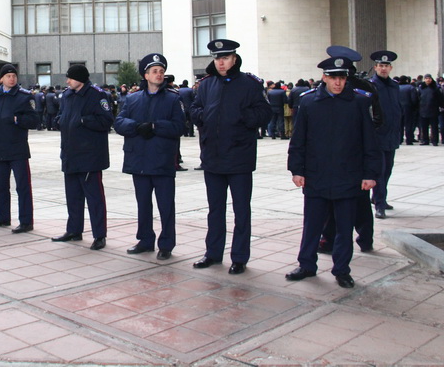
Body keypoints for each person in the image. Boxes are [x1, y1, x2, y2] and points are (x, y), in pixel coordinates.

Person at [286, 56, 381, 289]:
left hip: (348, 175)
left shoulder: (359, 102)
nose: (337, 83)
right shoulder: (309, 102)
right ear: (324, 77)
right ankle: (306, 265)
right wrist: (297, 170)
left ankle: (342, 270)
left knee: (344, 228)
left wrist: (370, 174)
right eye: (333, 77)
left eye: (341, 78)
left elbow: (370, 142)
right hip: (316, 174)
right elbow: (299, 140)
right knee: (312, 226)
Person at [190, 39, 271, 274]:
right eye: (217, 58)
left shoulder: (250, 84)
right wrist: (204, 116)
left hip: (239, 157)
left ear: (234, 59)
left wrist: (242, 117)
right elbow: (194, 109)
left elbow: (264, 112)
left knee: (241, 211)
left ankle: (239, 257)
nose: (221, 62)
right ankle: (213, 253)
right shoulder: (206, 84)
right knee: (215, 210)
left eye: (225, 58)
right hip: (213, 157)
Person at [114, 53, 184, 260]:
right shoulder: (133, 99)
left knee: (166, 206)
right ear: (146, 75)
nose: (159, 74)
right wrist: (136, 126)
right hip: (139, 160)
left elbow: (179, 126)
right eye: (154, 71)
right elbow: (119, 122)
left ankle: (166, 244)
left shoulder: (173, 99)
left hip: (162, 160)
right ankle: (145, 240)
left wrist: (155, 126)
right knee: (143, 204)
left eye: (161, 71)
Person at [51, 65, 114, 250]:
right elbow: (63, 115)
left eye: (70, 78)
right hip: (70, 153)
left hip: (89, 156)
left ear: (80, 78)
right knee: (73, 196)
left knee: (94, 198)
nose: (67, 81)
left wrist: (83, 120)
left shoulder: (97, 95)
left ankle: (99, 235)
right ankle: (74, 230)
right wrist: (60, 120)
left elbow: (106, 121)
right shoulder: (67, 95)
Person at [0, 64, 39, 232]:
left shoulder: (24, 97)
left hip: (17, 149)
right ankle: (3, 217)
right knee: (0, 187)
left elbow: (34, 120)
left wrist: (17, 120)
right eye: (8, 76)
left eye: (14, 76)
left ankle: (26, 221)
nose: (12, 79)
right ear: (1, 79)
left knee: (22, 187)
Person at [368, 51, 401, 218]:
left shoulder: (394, 86)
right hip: (377, 135)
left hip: (392, 135)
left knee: (388, 169)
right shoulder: (370, 85)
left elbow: (397, 109)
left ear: (391, 68)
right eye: (380, 65)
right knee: (379, 171)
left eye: (386, 66)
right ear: (375, 67)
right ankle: (379, 205)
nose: (383, 68)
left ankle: (378, 197)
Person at [418, 74, 443, 146]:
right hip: (423, 109)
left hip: (433, 110)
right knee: (424, 127)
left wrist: (441, 106)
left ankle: (434, 140)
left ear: (431, 79)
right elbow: (418, 98)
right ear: (424, 79)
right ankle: (425, 140)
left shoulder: (435, 88)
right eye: (426, 78)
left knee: (434, 127)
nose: (428, 80)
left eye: (429, 78)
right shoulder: (421, 88)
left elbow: (440, 99)